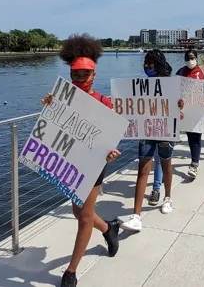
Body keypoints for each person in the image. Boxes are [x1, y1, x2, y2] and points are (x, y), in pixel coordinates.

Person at [43, 34, 121, 287]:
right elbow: (51, 132)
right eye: (75, 75)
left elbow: (111, 138)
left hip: (94, 164)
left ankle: (71, 272)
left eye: (84, 75)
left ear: (94, 75)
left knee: (84, 216)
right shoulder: (61, 100)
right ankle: (109, 229)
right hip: (69, 162)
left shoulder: (103, 103)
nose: (79, 80)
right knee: (79, 211)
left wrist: (111, 152)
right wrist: (48, 109)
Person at [121, 49, 177, 232]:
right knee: (142, 169)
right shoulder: (141, 85)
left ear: (158, 64)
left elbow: (180, 107)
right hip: (146, 130)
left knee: (166, 163)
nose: (146, 66)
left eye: (150, 63)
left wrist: (180, 106)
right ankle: (136, 216)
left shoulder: (171, 84)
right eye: (145, 63)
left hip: (165, 130)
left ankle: (168, 198)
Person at [176, 49, 204, 178]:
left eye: (192, 58)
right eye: (187, 58)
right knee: (189, 135)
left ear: (197, 58)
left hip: (199, 109)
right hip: (186, 110)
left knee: (195, 136)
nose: (190, 61)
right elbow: (174, 89)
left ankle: (194, 163)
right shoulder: (181, 72)